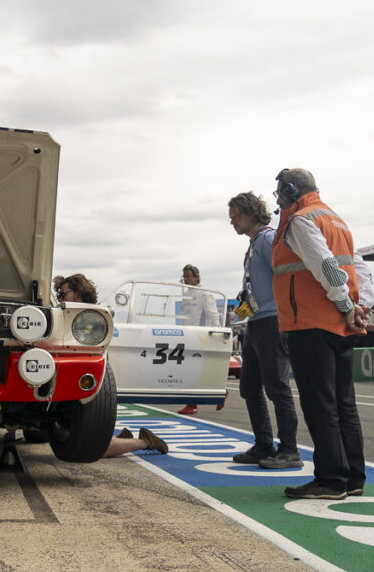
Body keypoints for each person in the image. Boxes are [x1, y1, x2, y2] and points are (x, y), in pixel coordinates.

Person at [271, 168, 374, 500]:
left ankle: (330, 479)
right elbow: (359, 267)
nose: (276, 199)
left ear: (290, 191)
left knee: (320, 405)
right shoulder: (337, 220)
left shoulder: (300, 220)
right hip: (340, 323)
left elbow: (326, 266)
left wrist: (347, 304)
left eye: (278, 192)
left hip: (311, 322)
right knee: (344, 404)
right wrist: (361, 305)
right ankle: (353, 477)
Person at [54, 274, 169, 457]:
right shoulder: (69, 315)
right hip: (77, 387)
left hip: (91, 385)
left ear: (78, 292)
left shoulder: (94, 319)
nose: (60, 299)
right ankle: (122, 438)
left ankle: (145, 441)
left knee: (91, 449)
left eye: (63, 294)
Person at [227, 192, 301, 469]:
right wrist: (243, 313)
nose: (232, 221)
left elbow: (283, 277)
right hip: (257, 322)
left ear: (249, 213)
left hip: (273, 322)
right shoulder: (255, 243)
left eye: (235, 216)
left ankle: (290, 450)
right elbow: (257, 288)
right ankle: (264, 444)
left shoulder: (268, 239)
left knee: (277, 387)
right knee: (249, 388)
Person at [178, 264, 222, 415]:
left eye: (189, 276)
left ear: (197, 277)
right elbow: (184, 316)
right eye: (184, 276)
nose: (186, 279)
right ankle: (221, 393)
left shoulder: (205, 294)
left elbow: (213, 314)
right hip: (187, 335)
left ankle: (192, 403)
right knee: (193, 370)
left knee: (193, 370)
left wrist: (218, 333)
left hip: (201, 335)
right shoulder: (185, 294)